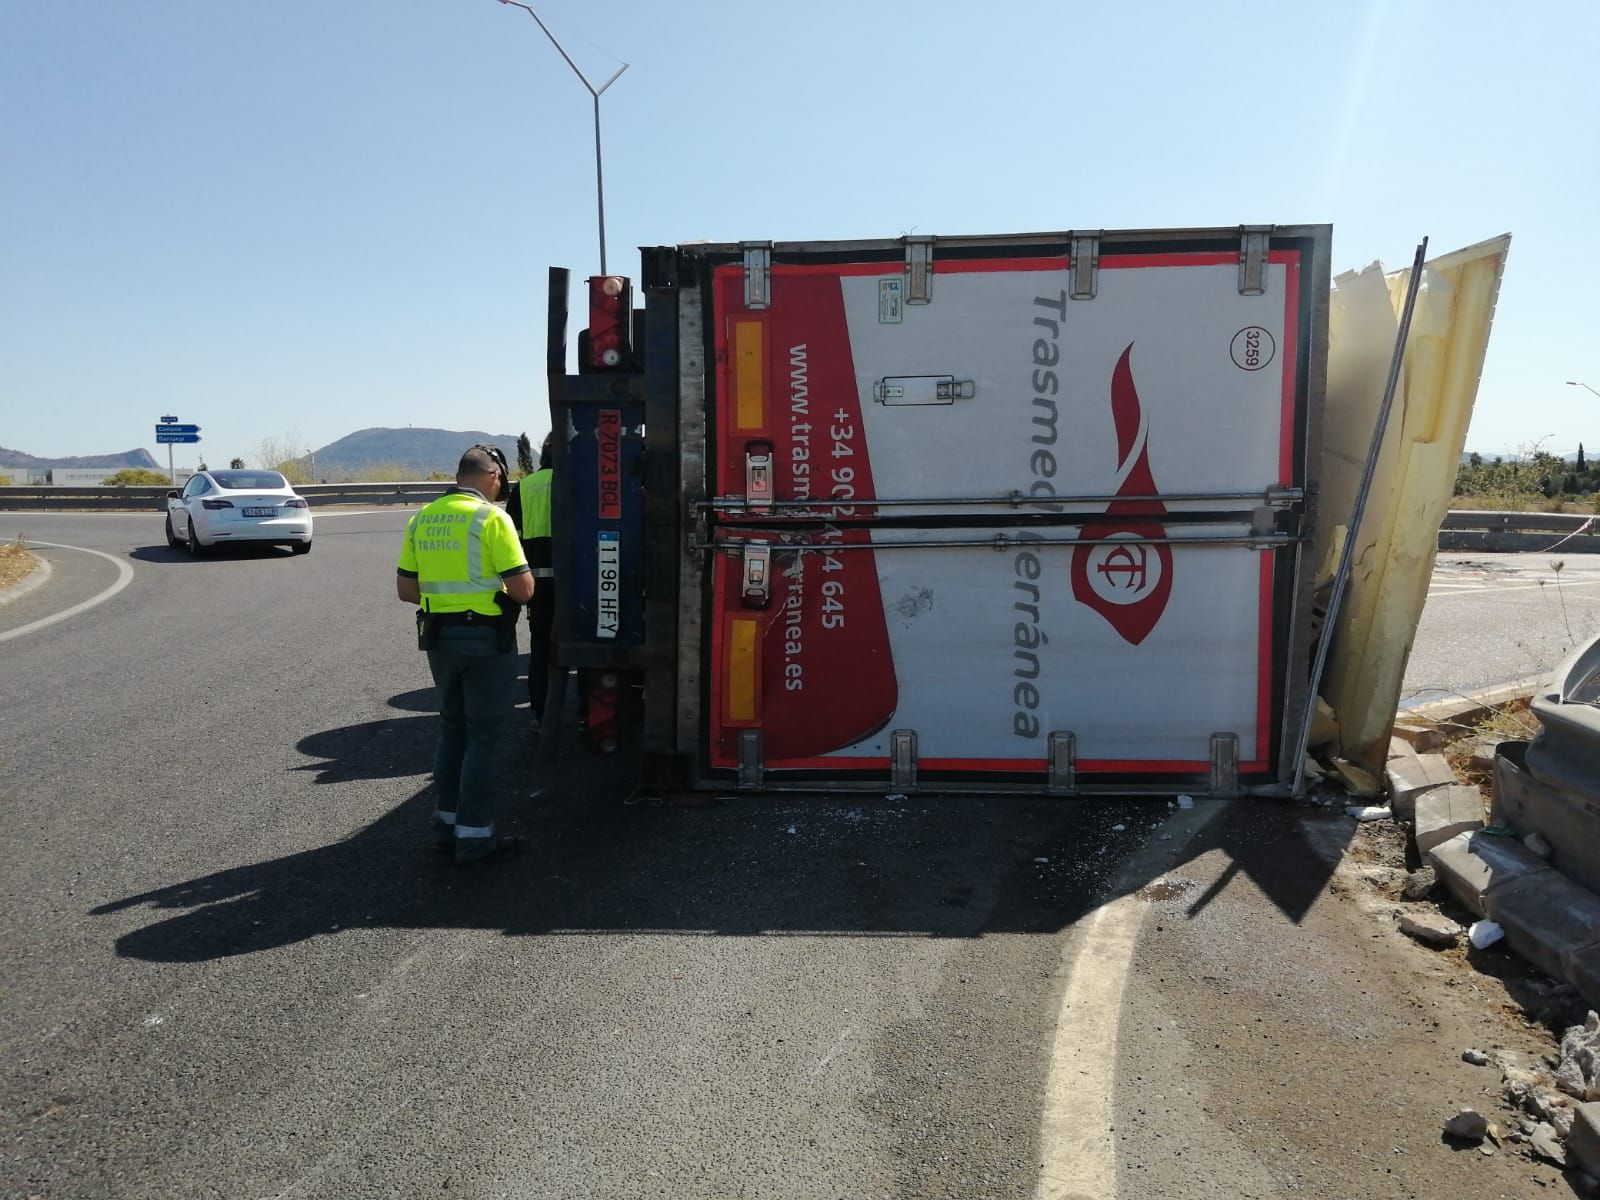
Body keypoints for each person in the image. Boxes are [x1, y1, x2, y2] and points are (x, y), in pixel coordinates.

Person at [396, 445, 534, 865]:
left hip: (440, 641)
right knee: (485, 738)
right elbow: (523, 589)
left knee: (453, 730)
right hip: (487, 642)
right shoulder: (492, 518)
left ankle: (447, 824)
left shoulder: (422, 518)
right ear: (494, 477)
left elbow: (407, 590)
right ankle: (474, 838)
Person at [507, 433, 555, 731]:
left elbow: (511, 536)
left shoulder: (524, 487)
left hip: (537, 584)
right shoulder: (583, 482)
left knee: (541, 650)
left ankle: (540, 713)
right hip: (578, 584)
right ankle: (587, 716)